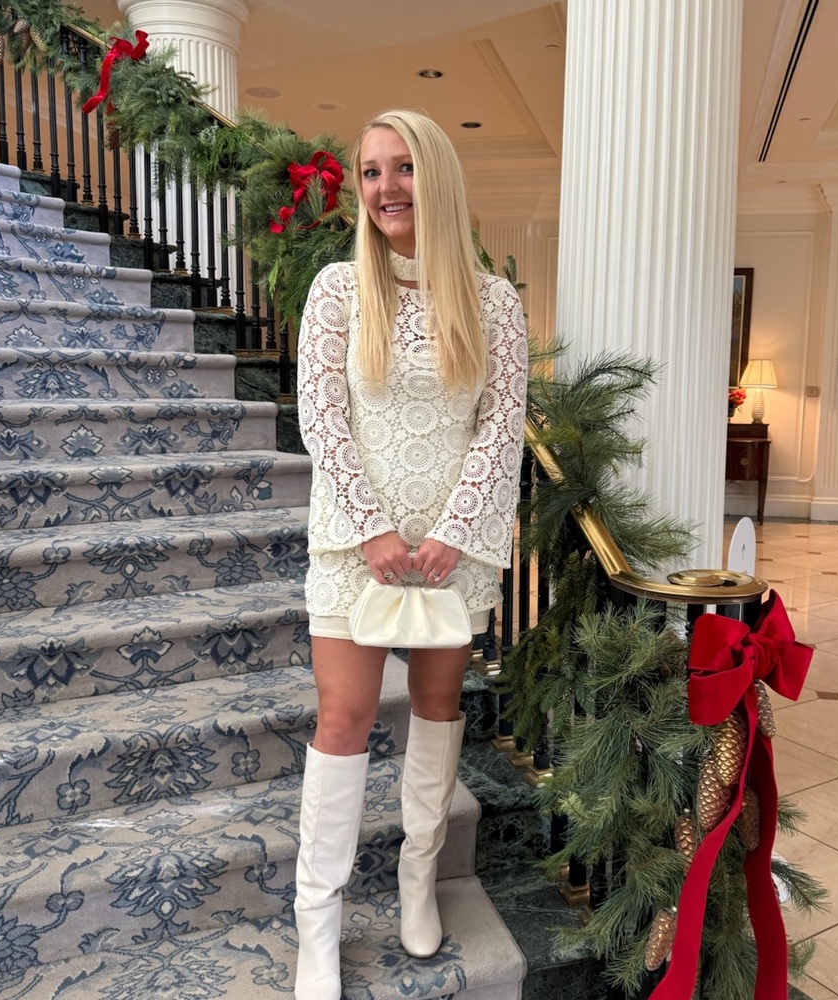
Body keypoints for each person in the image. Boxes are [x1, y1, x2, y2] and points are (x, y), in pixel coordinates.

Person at [293, 108, 528, 1000]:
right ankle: (319, 921)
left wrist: (455, 535)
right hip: (357, 543)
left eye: (404, 168)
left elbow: (501, 430)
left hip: (451, 551)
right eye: (370, 172)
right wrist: (374, 531)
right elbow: (324, 420)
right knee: (344, 717)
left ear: (439, 177)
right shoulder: (337, 290)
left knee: (437, 708)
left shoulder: (494, 301)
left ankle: (417, 882)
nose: (387, 188)